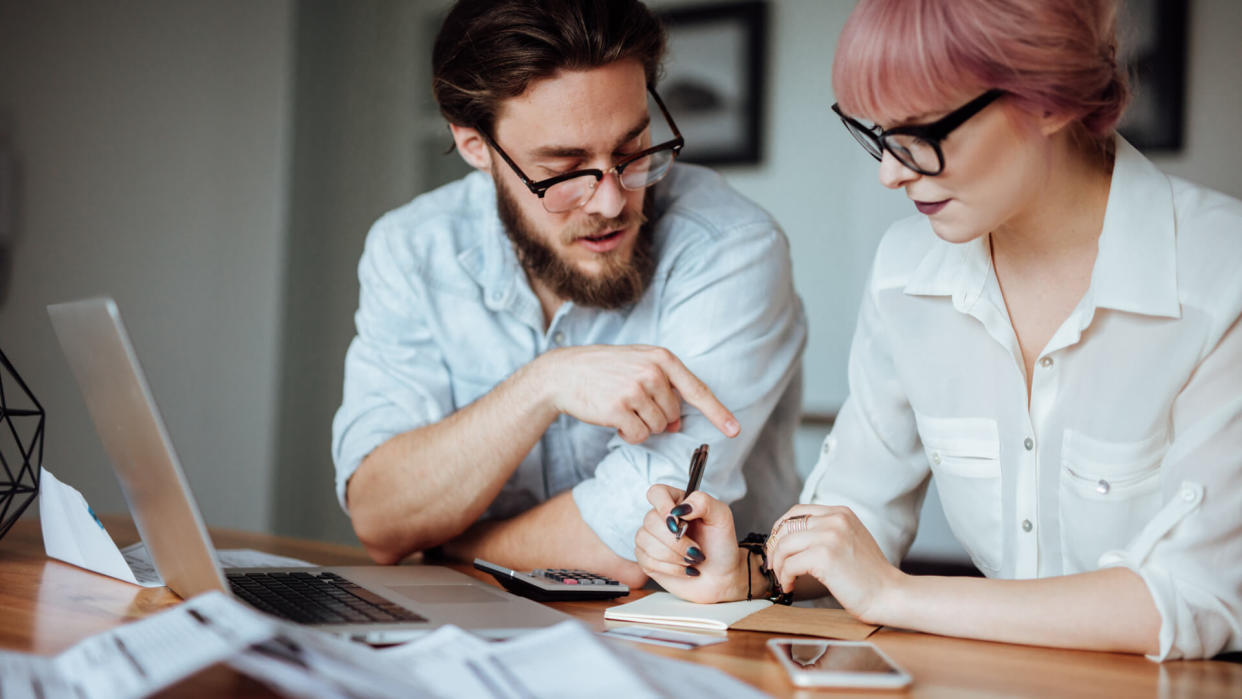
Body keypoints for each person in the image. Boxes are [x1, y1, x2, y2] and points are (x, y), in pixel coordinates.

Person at [636, 0, 1241, 660]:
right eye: (876, 133)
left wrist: (895, 595)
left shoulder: (1220, 275)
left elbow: (1195, 597)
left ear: (1050, 99)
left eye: (921, 133)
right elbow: (856, 514)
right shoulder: (906, 272)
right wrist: (748, 570)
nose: (889, 172)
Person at [331, 0, 806, 588]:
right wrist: (542, 384)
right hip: (477, 628)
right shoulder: (411, 249)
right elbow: (380, 518)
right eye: (563, 168)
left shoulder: (731, 249)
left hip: (697, 637)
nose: (610, 202)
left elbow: (630, 542)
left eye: (632, 151)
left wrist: (449, 543)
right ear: (475, 146)